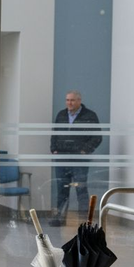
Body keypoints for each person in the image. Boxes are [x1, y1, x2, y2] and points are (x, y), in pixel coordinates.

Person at [49, 90, 102, 226]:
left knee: (81, 189)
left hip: (79, 159)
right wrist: (53, 149)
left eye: (72, 100)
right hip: (62, 157)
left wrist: (85, 150)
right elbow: (54, 133)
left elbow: (97, 136)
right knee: (62, 188)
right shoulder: (61, 114)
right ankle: (59, 218)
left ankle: (84, 220)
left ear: (79, 101)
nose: (69, 103)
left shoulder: (89, 115)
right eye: (67, 100)